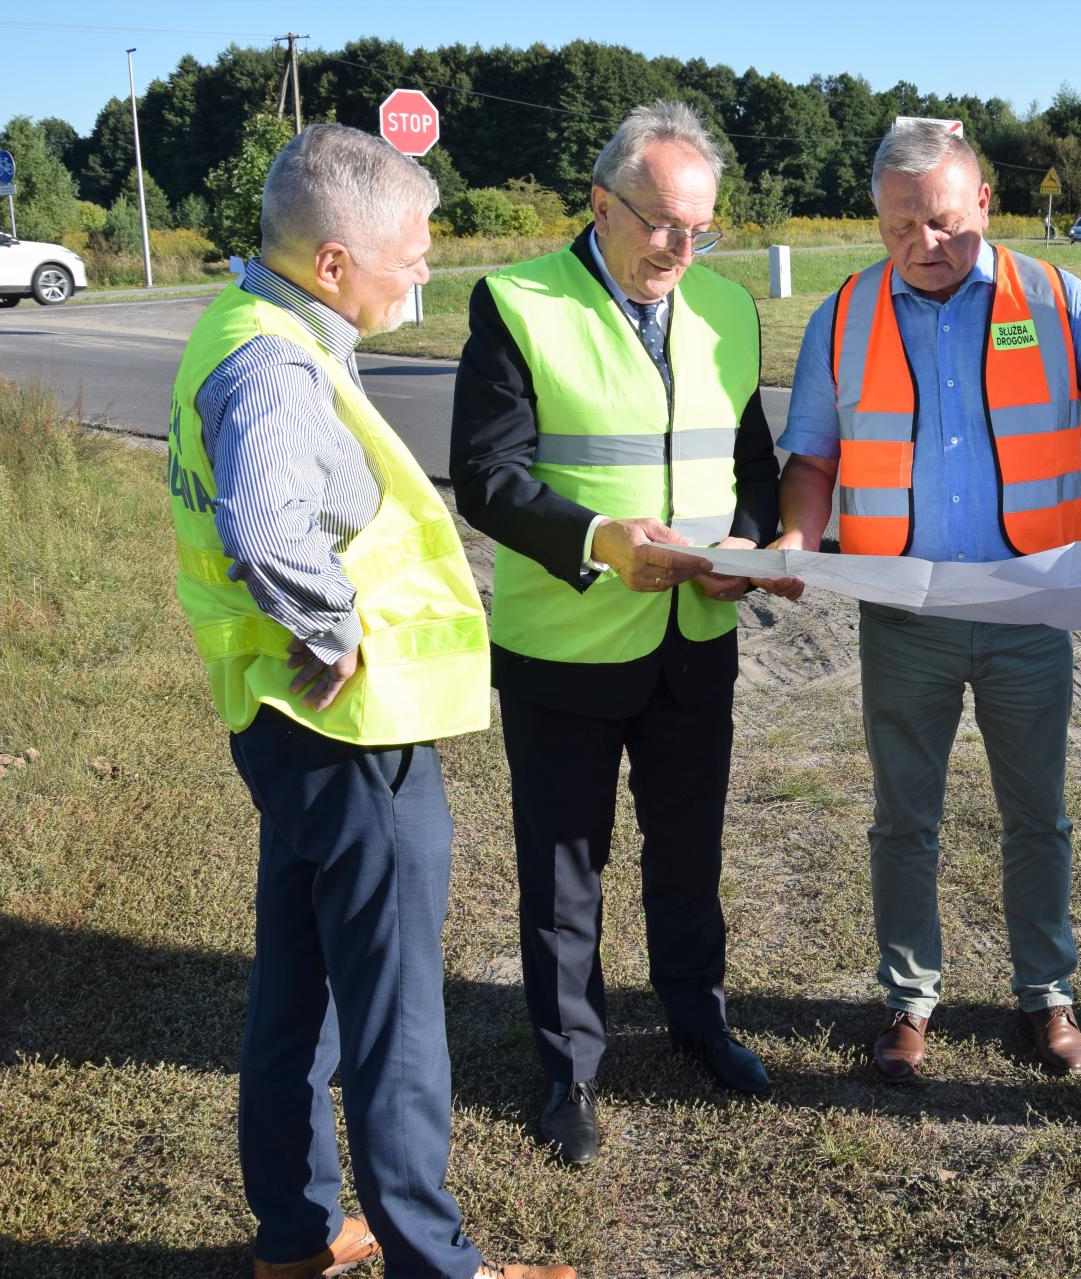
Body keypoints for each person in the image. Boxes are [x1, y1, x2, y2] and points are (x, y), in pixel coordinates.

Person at [773, 118, 1081, 1083]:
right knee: (902, 819)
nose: (922, 245)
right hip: (903, 614)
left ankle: (1047, 993)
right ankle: (908, 999)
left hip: (1029, 609)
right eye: (896, 227)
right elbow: (813, 454)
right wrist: (797, 539)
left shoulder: (1052, 298)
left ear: (985, 206)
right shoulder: (842, 315)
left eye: (943, 222)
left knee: (1036, 815)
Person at [168, 124, 572, 1279]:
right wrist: (332, 625)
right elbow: (260, 521)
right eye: (413, 249)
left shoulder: (247, 324)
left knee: (298, 991)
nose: (427, 268)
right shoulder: (278, 362)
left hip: (285, 727)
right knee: (396, 1016)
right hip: (352, 733)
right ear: (334, 261)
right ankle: (436, 1264)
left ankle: (295, 1240)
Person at [451, 101, 795, 1166]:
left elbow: (750, 461)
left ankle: (698, 1021)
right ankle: (570, 1070)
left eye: (700, 230)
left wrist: (746, 545)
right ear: (600, 203)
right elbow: (486, 477)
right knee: (565, 873)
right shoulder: (517, 301)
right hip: (567, 646)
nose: (678, 250)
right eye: (658, 224)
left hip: (696, 640)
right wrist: (600, 537)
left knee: (690, 856)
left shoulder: (726, 310)